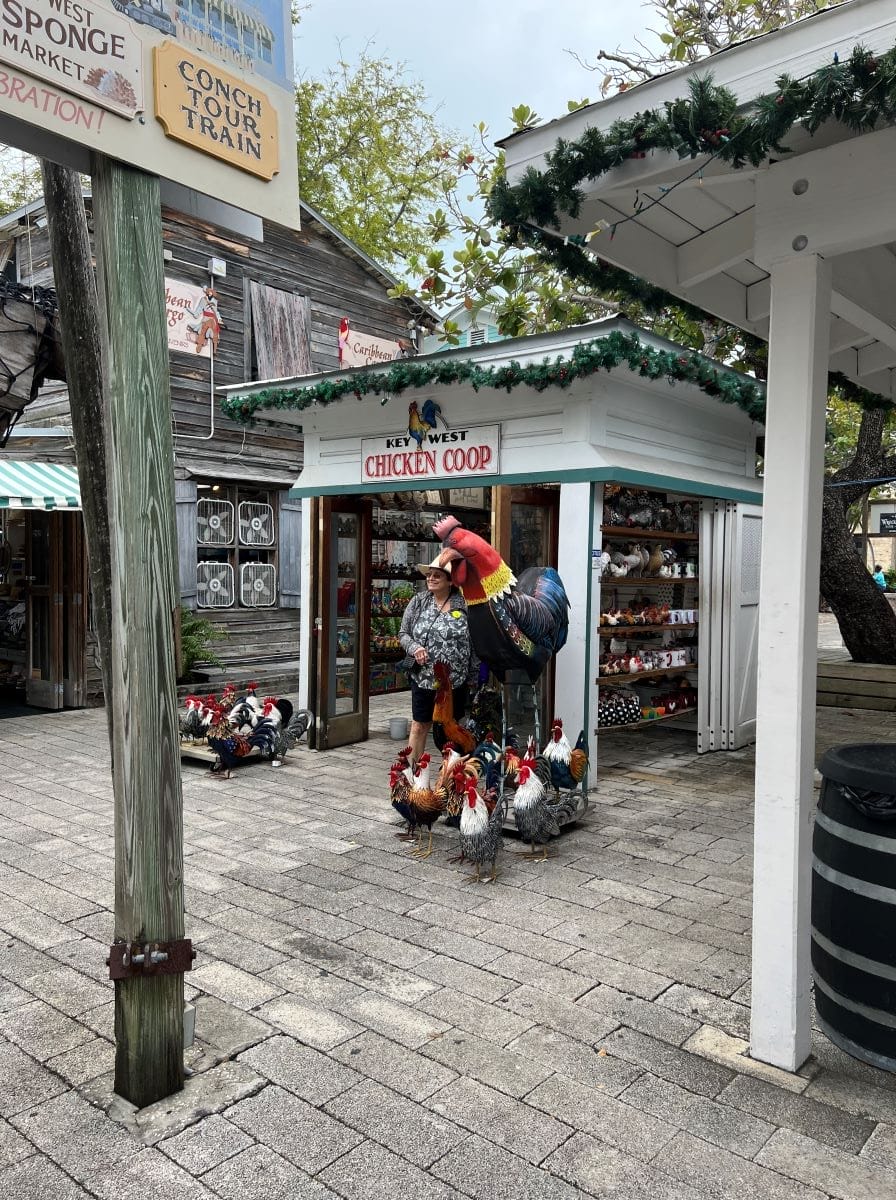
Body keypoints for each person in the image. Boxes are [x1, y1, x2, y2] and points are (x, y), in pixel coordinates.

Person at [399, 552, 471, 763]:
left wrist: (475, 676)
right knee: (419, 725)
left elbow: (473, 643)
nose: (430, 579)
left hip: (454, 681)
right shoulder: (419, 602)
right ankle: (412, 777)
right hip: (423, 678)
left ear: (450, 581)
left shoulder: (463, 605)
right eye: (429, 575)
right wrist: (414, 648)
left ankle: (451, 777)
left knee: (452, 728)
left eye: (437, 576)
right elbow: (403, 634)